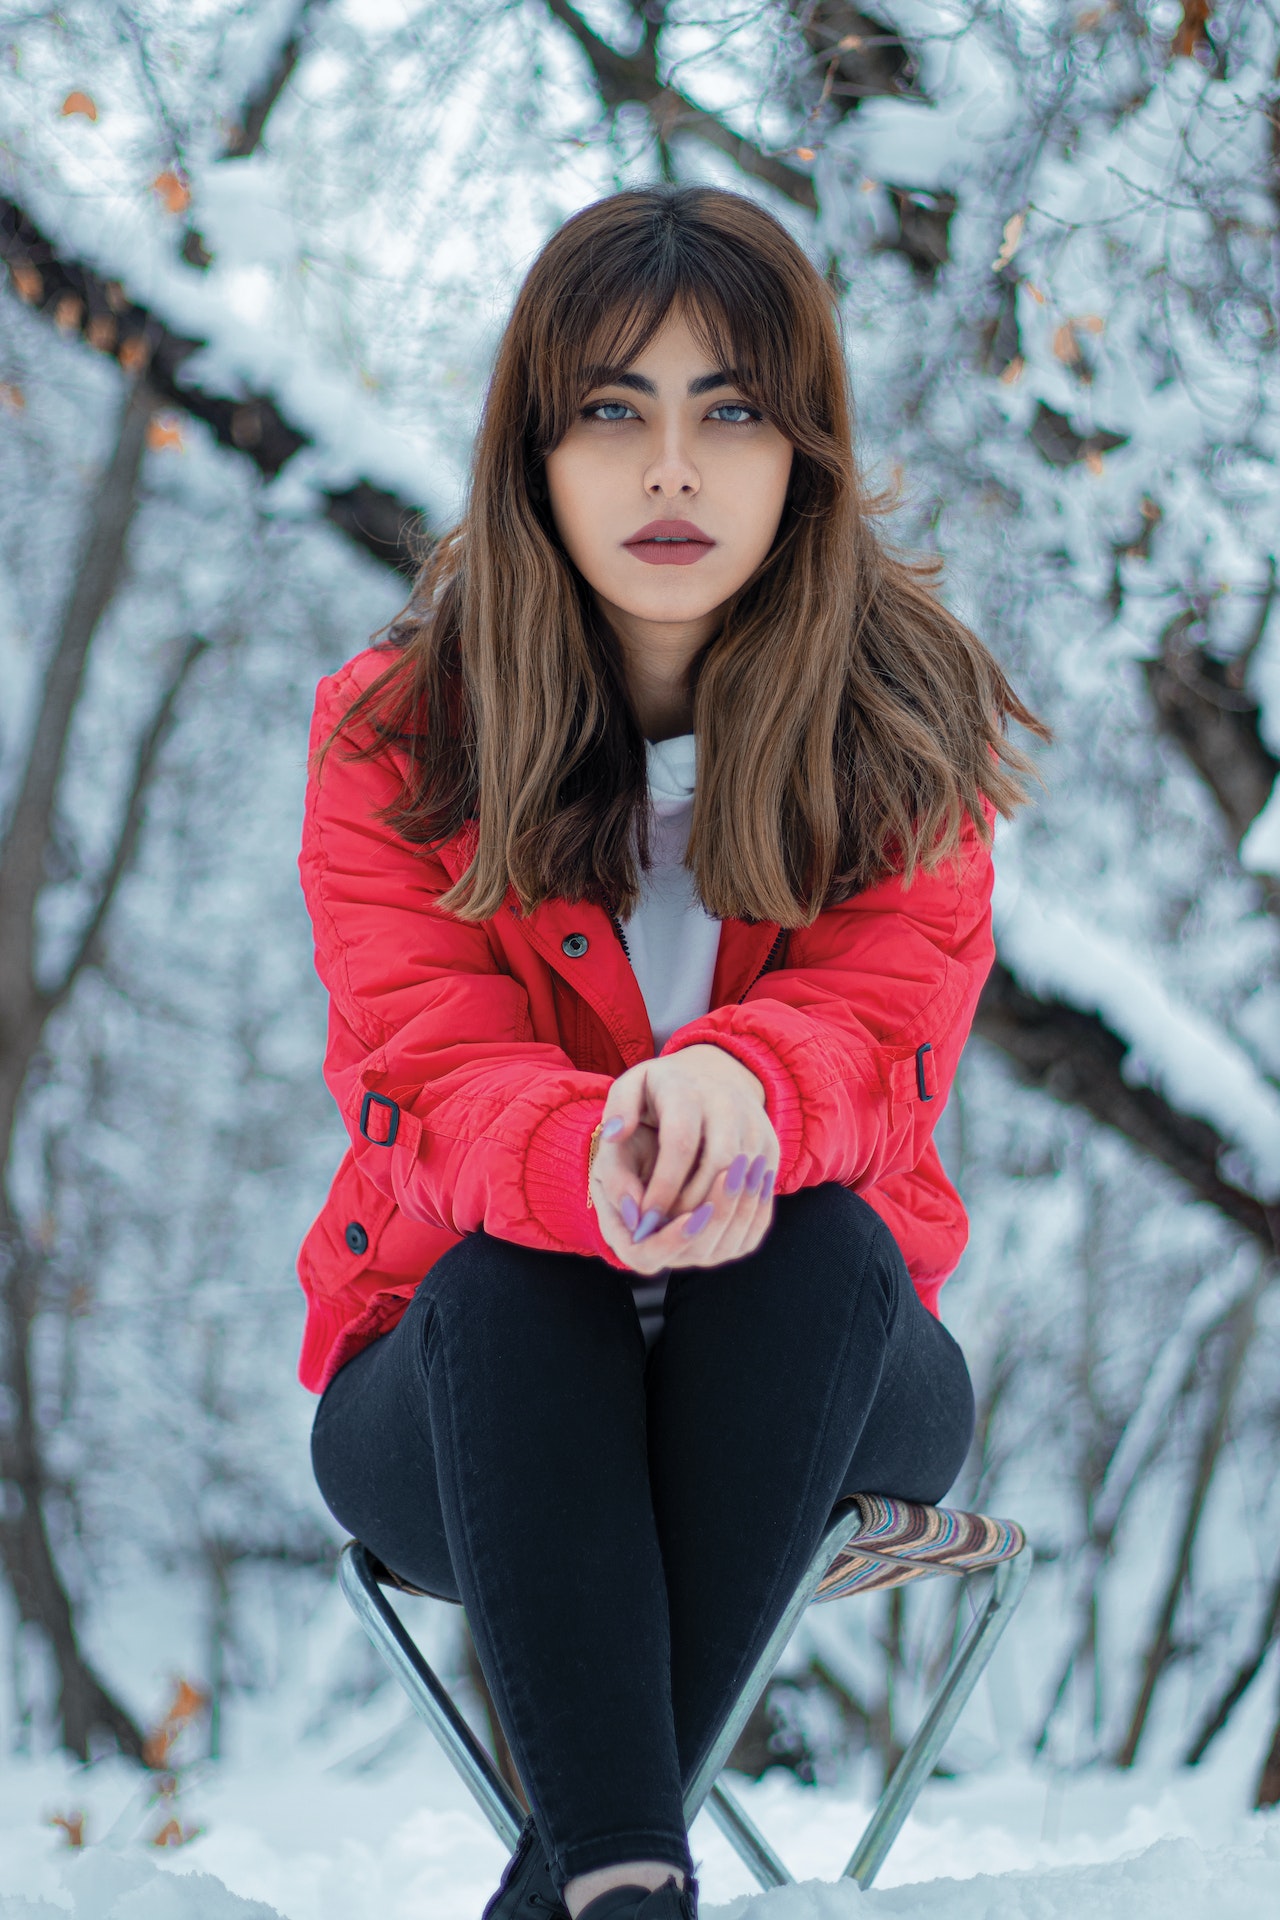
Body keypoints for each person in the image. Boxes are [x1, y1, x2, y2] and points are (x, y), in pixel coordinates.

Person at [299, 185, 1044, 1920]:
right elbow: (425, 1068)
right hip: (462, 1384)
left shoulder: (908, 727)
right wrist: (596, 1159)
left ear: (806, 454)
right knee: (512, 1282)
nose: (671, 471)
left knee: (814, 1233)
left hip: (822, 1370)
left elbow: (879, 1035)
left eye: (732, 411)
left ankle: (587, 1885)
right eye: (613, 411)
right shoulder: (399, 734)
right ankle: (618, 1879)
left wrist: (743, 1095)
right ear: (534, 453)